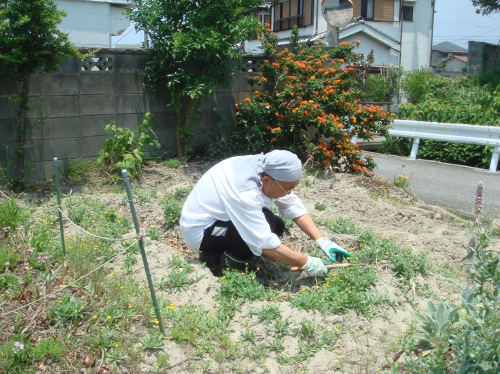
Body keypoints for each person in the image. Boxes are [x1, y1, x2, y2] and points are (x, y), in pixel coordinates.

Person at [179, 150, 350, 277]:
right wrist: (306, 262)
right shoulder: (244, 190)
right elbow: (262, 242)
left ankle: (218, 255)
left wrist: (321, 240)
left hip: (221, 221)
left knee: (276, 224)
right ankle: (232, 274)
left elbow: (291, 204)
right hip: (203, 231)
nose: (287, 193)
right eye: (287, 189)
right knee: (265, 223)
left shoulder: (265, 168)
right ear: (267, 181)